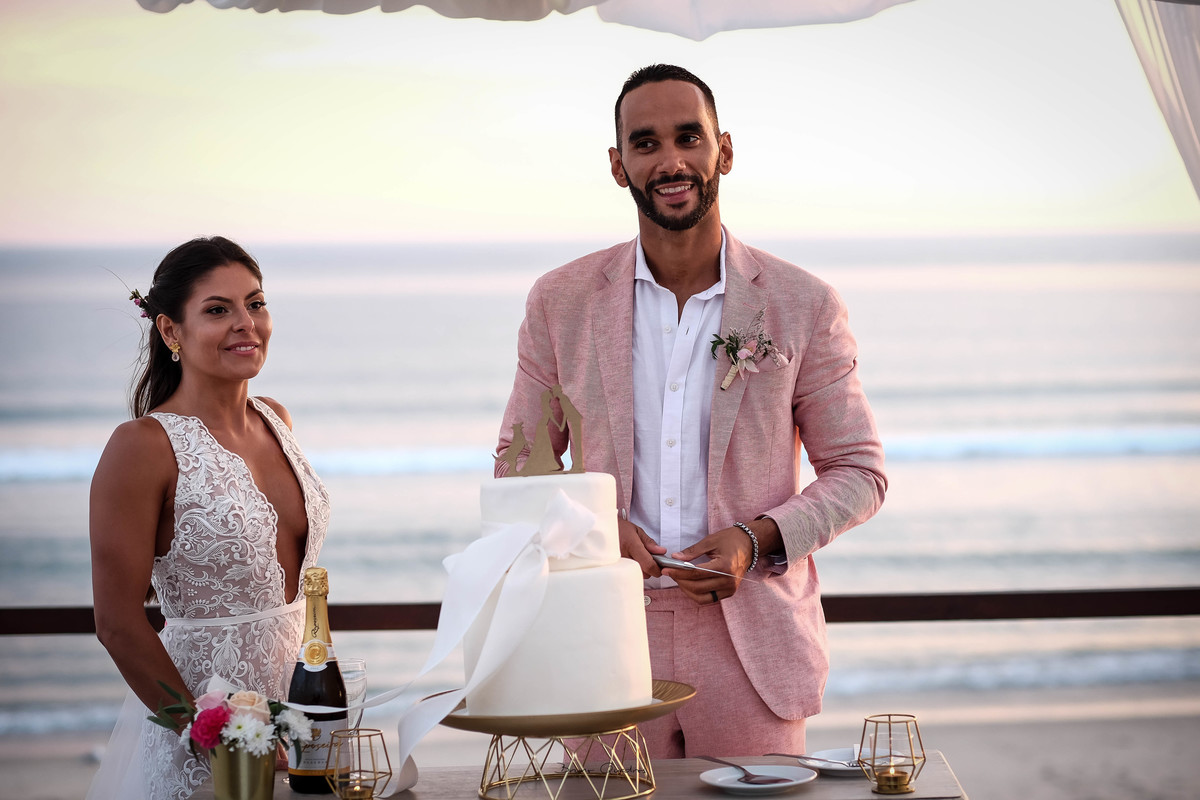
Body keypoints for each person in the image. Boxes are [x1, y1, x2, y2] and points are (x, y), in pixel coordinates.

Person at [494, 64, 887, 757]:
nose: (670, 161)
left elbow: (859, 472)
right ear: (618, 166)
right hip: (602, 635)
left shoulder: (802, 303)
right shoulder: (560, 301)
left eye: (688, 138)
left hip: (751, 646)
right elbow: (517, 465)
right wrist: (594, 530)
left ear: (723, 151)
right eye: (645, 144)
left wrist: (754, 539)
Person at [86, 237, 331, 800]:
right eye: (218, 310)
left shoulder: (277, 420)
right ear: (171, 331)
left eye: (255, 303)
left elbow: (304, 594)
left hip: (299, 729)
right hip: (203, 744)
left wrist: (322, 698)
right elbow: (117, 622)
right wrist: (211, 738)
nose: (246, 323)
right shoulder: (142, 446)